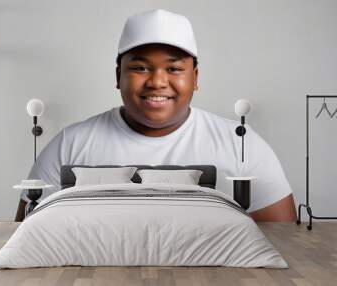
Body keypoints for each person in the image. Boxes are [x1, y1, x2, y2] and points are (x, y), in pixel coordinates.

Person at [15, 9, 297, 222]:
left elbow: (285, 240)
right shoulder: (70, 145)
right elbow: (24, 233)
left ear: (195, 78)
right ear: (118, 75)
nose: (157, 82)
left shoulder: (242, 146)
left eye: (174, 69)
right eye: (140, 68)